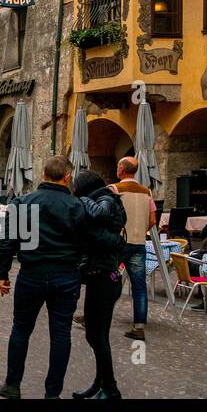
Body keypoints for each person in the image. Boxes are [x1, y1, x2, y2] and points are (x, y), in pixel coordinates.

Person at [0, 155, 88, 400]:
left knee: (21, 329)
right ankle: (52, 393)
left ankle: (12, 384)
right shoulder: (77, 206)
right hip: (66, 276)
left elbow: (8, 241)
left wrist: (2, 274)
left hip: (32, 274)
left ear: (43, 174)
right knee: (61, 334)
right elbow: (86, 243)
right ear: (67, 177)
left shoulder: (23, 202)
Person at [72, 169, 127, 400]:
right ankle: (101, 383)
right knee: (96, 335)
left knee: (97, 336)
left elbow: (101, 221)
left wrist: (82, 201)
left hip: (104, 277)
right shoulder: (105, 198)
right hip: (100, 276)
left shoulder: (103, 200)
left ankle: (110, 388)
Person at [111, 156, 154, 341]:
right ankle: (139, 326)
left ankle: (94, 317)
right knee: (139, 286)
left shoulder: (114, 189)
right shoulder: (147, 192)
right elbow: (152, 220)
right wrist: (140, 230)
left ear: (122, 169)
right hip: (139, 242)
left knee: (106, 280)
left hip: (118, 242)